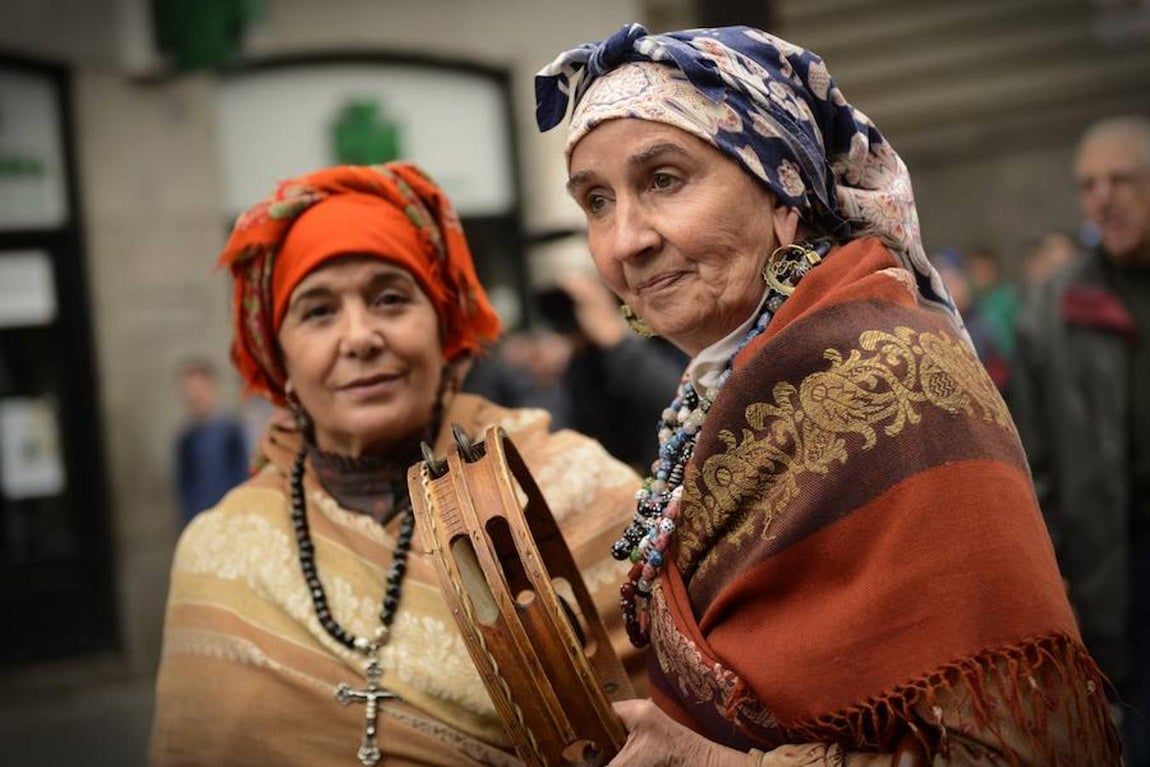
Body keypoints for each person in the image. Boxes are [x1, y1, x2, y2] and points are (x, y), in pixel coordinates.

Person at [534, 23, 1120, 765]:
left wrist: (716, 763)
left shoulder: (893, 374)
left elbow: (1025, 747)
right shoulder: (723, 381)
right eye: (595, 201)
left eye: (664, 180)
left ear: (783, 194)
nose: (625, 241)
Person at [149, 162, 647, 766]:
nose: (359, 337)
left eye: (389, 299)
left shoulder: (574, 491)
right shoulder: (221, 553)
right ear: (278, 358)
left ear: (446, 330)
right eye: (318, 311)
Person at [1013, 114, 1150, 766]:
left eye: (1121, 179)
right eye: (1089, 184)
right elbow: (1032, 465)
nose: (1104, 197)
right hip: (1112, 575)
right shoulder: (1052, 310)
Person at [173, 357, 249, 528]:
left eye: (199, 390)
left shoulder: (232, 432)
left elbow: (242, 478)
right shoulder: (186, 441)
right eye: (189, 391)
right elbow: (184, 490)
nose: (195, 397)